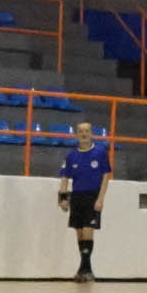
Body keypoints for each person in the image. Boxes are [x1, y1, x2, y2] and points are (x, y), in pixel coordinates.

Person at [58, 121, 112, 283]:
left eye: (87, 131)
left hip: (92, 197)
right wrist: (63, 199)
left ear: (91, 134)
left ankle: (85, 269)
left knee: (88, 231)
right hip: (77, 197)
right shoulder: (71, 156)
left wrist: (100, 198)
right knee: (80, 233)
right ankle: (85, 270)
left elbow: (105, 176)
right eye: (80, 131)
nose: (84, 134)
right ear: (76, 134)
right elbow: (65, 179)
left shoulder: (100, 153)